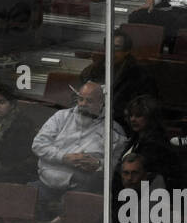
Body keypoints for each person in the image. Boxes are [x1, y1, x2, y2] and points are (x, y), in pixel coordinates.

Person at [31, 80, 126, 212]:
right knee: (17, 200)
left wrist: (99, 165)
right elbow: (38, 145)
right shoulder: (61, 117)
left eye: (89, 101)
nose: (83, 104)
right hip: (44, 184)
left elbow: (119, 167)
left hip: (81, 190)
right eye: (80, 99)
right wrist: (63, 157)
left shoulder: (114, 131)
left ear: (102, 103)